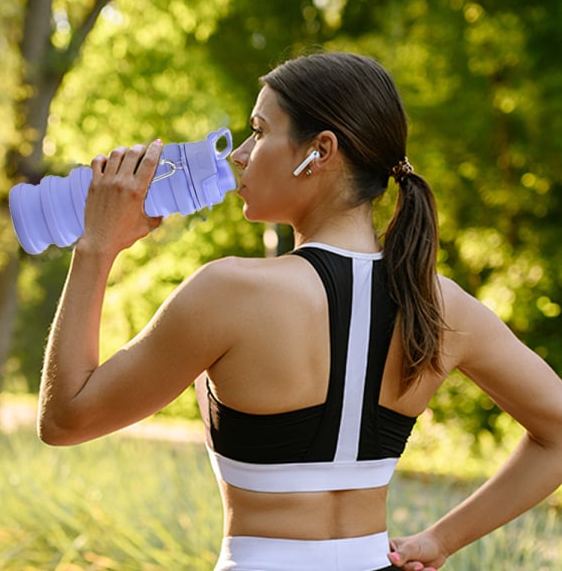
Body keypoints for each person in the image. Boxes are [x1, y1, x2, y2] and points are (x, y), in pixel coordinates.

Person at [37, 52, 562, 571]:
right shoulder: (443, 304)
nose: (240, 154)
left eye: (260, 131)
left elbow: (65, 419)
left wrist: (96, 247)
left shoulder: (229, 292)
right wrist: (441, 540)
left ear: (320, 152)